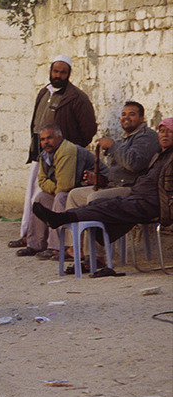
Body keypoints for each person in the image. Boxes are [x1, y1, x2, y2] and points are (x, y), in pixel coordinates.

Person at [33, 118, 173, 245]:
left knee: (107, 206)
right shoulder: (159, 155)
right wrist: (102, 180)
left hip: (151, 203)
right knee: (99, 203)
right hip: (138, 196)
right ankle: (91, 243)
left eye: (169, 132)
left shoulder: (159, 150)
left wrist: (113, 147)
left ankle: (64, 219)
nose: (164, 135)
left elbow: (136, 168)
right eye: (161, 131)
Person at [10, 55, 97, 248]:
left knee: (57, 196)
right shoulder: (44, 92)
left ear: (68, 74)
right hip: (42, 155)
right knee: (34, 197)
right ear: (50, 71)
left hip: (65, 157)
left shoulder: (76, 97)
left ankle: (55, 245)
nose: (58, 75)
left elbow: (88, 129)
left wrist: (71, 149)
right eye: (55, 71)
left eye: (62, 72)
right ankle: (31, 239)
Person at [18, 124, 96, 258]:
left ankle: (58, 247)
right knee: (40, 198)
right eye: (42, 139)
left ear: (59, 138)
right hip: (66, 191)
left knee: (60, 197)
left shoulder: (67, 150)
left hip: (85, 191)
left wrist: (54, 186)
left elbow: (65, 186)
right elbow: (41, 182)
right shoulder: (45, 155)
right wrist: (55, 186)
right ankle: (35, 244)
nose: (45, 142)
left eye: (49, 138)